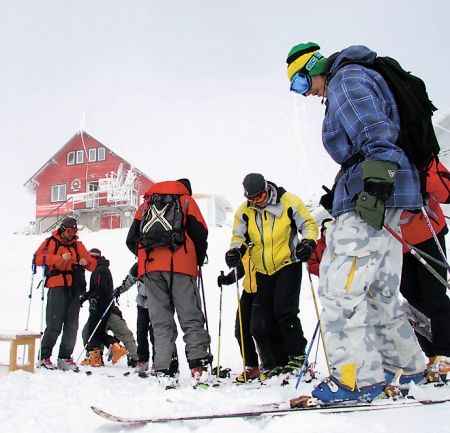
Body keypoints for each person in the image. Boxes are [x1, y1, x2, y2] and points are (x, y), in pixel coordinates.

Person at [286, 42, 426, 402]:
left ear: (313, 68)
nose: (307, 93)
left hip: (374, 196)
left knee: (339, 290)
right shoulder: (357, 75)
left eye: (302, 84)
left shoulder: (344, 80)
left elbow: (375, 132)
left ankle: (355, 379)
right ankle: (405, 367)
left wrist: (375, 183)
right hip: (385, 193)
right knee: (379, 290)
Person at [225, 173, 318, 379]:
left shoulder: (289, 201)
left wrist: (308, 243)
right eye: (253, 199)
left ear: (267, 189)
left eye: (260, 196)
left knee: (284, 311)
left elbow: (308, 226)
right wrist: (235, 252)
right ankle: (277, 362)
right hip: (262, 269)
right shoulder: (245, 211)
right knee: (265, 318)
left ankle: (297, 356)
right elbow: (238, 236)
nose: (258, 201)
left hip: (288, 262)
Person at [126, 178, 211, 388]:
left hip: (151, 270)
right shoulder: (186, 202)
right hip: (181, 267)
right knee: (190, 317)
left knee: (161, 321)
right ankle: (198, 368)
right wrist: (196, 259)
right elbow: (200, 233)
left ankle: (165, 370)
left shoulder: (146, 204)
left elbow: (130, 239)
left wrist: (145, 258)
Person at [399, 158, 450, 382]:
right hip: (398, 240)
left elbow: (446, 191)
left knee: (434, 294)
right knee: (411, 295)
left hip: (427, 229)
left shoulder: (419, 152)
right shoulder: (370, 157)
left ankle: (445, 352)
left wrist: (423, 180)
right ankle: (434, 353)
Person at [34, 216, 97, 371]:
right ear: (63, 229)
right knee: (54, 323)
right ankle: (44, 357)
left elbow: (93, 264)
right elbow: (37, 258)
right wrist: (58, 259)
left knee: (71, 325)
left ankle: (64, 357)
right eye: (69, 230)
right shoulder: (51, 242)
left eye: (74, 231)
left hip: (74, 287)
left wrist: (86, 262)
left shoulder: (77, 245)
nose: (72, 234)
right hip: (57, 286)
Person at [217, 247, 262, 382]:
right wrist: (228, 278)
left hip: (264, 288)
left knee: (260, 329)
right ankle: (251, 365)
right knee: (241, 330)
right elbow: (242, 267)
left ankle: (270, 363)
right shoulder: (244, 245)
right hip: (248, 291)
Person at [79, 248, 128, 367]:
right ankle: (116, 348)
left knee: (93, 331)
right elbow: (96, 288)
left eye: (90, 258)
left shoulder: (99, 270)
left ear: (94, 258)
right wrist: (85, 297)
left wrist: (94, 298)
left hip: (100, 305)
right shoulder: (101, 269)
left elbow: (99, 288)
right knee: (99, 332)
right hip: (104, 304)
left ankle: (96, 359)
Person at [114, 262, 160, 376]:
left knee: (156, 334)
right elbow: (130, 280)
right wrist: (118, 291)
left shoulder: (158, 262)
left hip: (157, 304)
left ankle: (157, 362)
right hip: (142, 303)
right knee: (141, 332)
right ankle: (142, 360)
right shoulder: (138, 265)